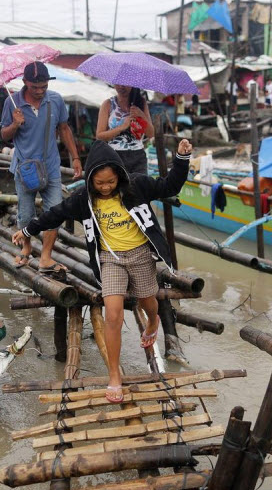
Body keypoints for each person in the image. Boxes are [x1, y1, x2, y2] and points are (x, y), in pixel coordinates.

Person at [11, 138, 193, 403]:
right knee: (113, 314)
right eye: (100, 183)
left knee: (148, 301)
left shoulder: (137, 186)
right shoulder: (84, 199)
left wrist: (181, 158)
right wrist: (27, 230)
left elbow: (170, 185)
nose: (106, 187)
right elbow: (54, 214)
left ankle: (153, 321)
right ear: (90, 181)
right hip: (110, 259)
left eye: (111, 182)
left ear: (119, 175)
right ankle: (114, 377)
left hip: (141, 255)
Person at [0, 61, 83, 272]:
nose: (39, 91)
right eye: (35, 87)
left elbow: (64, 128)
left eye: (43, 87)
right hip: (24, 167)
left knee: (55, 211)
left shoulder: (54, 100)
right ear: (24, 82)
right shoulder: (12, 102)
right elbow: (4, 135)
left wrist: (75, 158)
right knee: (26, 214)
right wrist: (15, 124)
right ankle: (26, 248)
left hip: (51, 165)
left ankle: (46, 256)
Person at [96, 85, 154, 174]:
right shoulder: (108, 104)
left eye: (125, 84)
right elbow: (99, 136)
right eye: (118, 83)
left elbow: (151, 134)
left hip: (138, 156)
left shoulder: (141, 103)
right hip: (114, 155)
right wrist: (122, 127)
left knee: (139, 186)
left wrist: (141, 115)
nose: (121, 86)